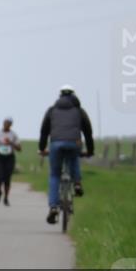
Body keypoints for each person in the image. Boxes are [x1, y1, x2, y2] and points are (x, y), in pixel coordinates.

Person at [39, 85, 94, 225]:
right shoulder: (79, 111)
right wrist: (90, 151)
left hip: (56, 144)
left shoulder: (52, 110)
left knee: (55, 175)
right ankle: (77, 183)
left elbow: (44, 131)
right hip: (74, 143)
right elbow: (88, 133)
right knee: (74, 156)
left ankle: (53, 207)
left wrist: (41, 148)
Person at [0, 118, 21, 206]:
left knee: (7, 178)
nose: (6, 125)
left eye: (8, 124)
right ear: (3, 123)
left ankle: (6, 198)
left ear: (11, 125)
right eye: (5, 123)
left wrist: (11, 142)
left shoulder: (13, 134)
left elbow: (19, 148)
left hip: (9, 157)